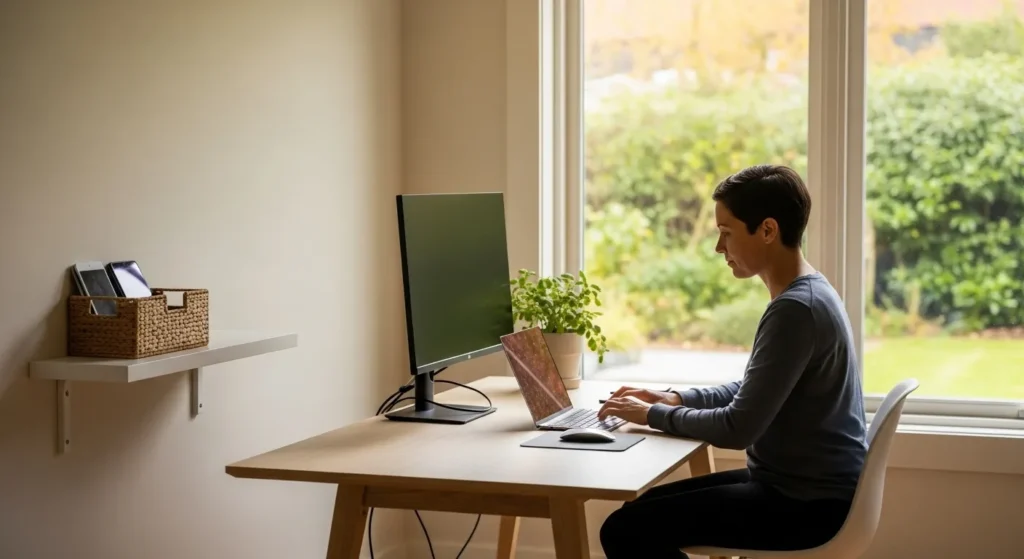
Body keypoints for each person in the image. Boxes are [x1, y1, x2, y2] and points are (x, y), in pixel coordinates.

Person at [597, 164, 867, 559]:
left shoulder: (796, 310)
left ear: (768, 230)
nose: (719, 248)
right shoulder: (810, 292)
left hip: (807, 507)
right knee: (635, 515)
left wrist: (651, 414)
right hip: (802, 490)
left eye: (726, 233)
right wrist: (675, 399)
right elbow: (754, 388)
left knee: (625, 530)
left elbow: (738, 427)